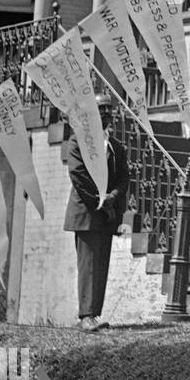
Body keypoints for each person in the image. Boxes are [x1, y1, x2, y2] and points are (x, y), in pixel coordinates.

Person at [63, 94, 130, 332]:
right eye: (101, 109)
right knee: (88, 263)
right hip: (87, 212)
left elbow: (124, 177)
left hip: (106, 213)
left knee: (101, 263)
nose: (106, 114)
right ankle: (86, 315)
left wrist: (112, 198)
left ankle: (95, 313)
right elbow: (78, 175)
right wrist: (99, 201)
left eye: (109, 110)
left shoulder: (116, 146)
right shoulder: (77, 141)